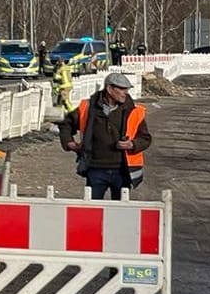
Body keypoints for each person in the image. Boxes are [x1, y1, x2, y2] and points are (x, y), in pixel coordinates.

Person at [57, 72, 151, 200]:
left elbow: (145, 139)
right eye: (122, 89)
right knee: (93, 211)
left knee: (120, 213)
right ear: (109, 89)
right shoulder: (88, 107)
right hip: (95, 169)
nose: (126, 93)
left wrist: (132, 144)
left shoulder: (134, 111)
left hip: (122, 171)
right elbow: (66, 124)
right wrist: (69, 143)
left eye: (127, 89)